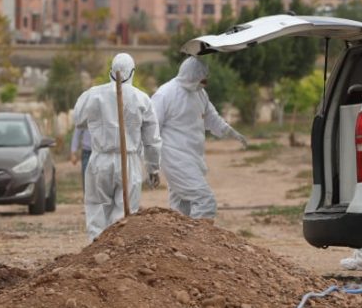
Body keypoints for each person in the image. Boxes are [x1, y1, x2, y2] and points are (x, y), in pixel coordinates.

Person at [72, 53, 162, 241]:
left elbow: (77, 120)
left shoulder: (93, 94)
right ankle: (115, 251)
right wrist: (153, 168)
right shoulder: (141, 98)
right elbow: (152, 140)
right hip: (128, 162)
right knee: (123, 214)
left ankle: (97, 252)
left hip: (100, 160)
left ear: (110, 71)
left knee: (97, 209)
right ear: (133, 72)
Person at [151, 57, 248, 220]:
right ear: (191, 76)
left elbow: (212, 118)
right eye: (202, 80)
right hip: (174, 159)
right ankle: (197, 241)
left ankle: (180, 242)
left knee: (181, 208)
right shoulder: (165, 94)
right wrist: (151, 164)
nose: (205, 84)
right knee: (205, 201)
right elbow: (151, 129)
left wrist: (230, 132)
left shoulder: (200, 94)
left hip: (193, 157)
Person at [69, 124, 92, 190]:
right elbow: (77, 133)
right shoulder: (85, 114)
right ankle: (87, 199)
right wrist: (73, 152)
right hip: (87, 152)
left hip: (101, 153)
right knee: (87, 179)